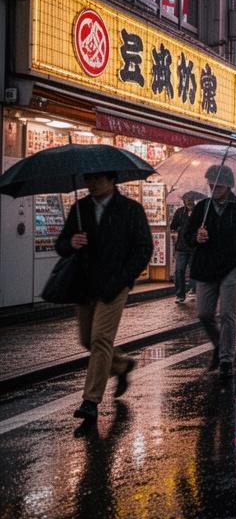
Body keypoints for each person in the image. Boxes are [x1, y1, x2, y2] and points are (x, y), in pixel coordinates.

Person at [56, 171, 152, 421]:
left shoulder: (130, 210)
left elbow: (144, 247)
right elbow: (61, 244)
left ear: (111, 181)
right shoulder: (81, 208)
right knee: (87, 339)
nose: (92, 184)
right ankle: (121, 366)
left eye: (97, 179)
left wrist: (124, 279)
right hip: (85, 284)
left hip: (114, 285)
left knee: (100, 338)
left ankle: (90, 400)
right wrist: (71, 243)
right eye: (88, 179)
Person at [189, 164, 236, 378]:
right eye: (212, 182)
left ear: (229, 185)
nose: (215, 186)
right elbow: (187, 236)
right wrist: (197, 237)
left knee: (228, 313)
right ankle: (219, 343)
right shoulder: (203, 208)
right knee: (203, 312)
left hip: (231, 267)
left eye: (219, 183)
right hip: (206, 267)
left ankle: (226, 358)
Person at [169, 194, 197, 303]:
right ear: (184, 201)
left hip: (195, 246)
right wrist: (178, 230)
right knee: (179, 271)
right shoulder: (180, 212)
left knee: (194, 270)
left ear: (194, 200)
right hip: (181, 246)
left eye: (190, 199)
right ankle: (180, 294)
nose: (189, 201)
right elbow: (173, 226)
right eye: (187, 199)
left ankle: (193, 290)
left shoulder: (198, 212)